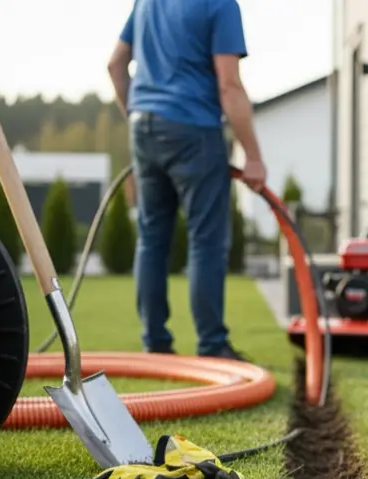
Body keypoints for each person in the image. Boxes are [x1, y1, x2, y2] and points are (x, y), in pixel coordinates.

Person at [108, 0, 267, 360]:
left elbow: (115, 64)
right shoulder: (220, 4)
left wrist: (137, 117)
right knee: (207, 241)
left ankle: (155, 343)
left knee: (151, 239)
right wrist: (253, 157)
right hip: (194, 129)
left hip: (144, 127)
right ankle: (212, 345)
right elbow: (229, 86)